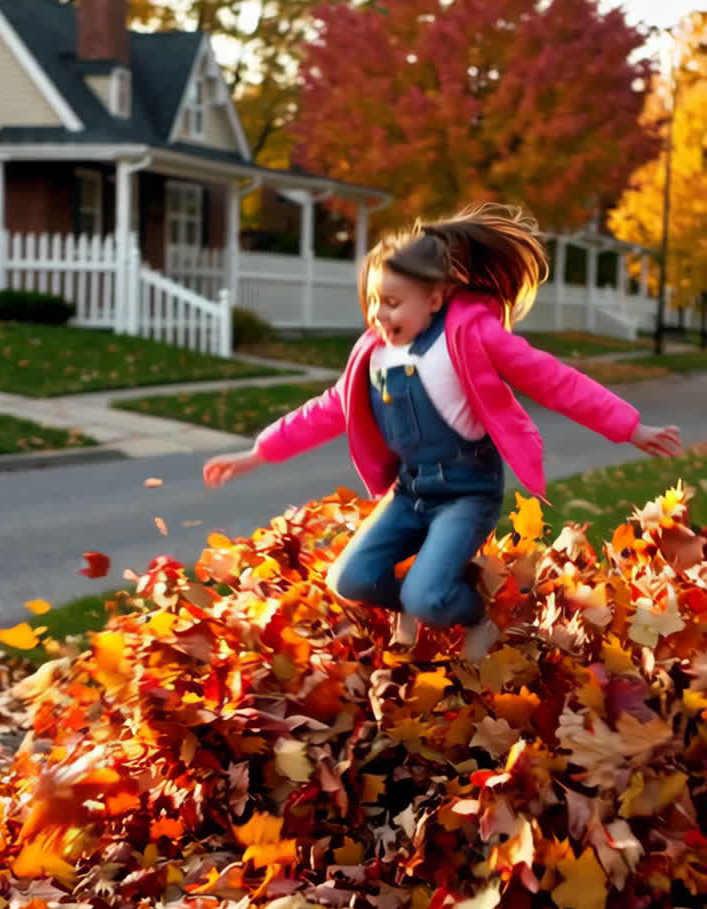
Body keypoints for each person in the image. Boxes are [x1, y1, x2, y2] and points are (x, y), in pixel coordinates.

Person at [203, 203, 682, 652]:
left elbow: (555, 381)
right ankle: (419, 596)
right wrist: (256, 453)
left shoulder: (472, 335)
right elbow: (326, 410)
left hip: (466, 493)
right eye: (374, 302)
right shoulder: (372, 354)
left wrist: (630, 426)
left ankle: (478, 615)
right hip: (410, 493)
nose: (380, 315)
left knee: (427, 597)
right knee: (351, 580)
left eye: (392, 302)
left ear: (434, 297)